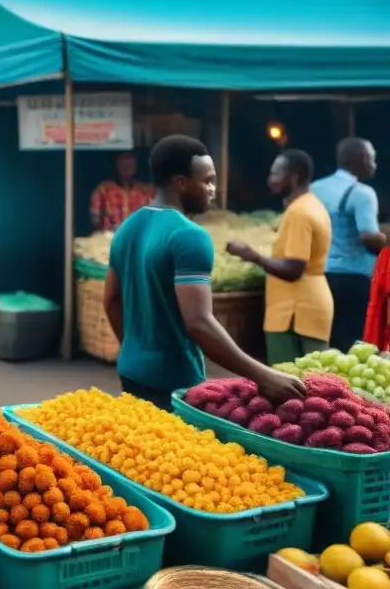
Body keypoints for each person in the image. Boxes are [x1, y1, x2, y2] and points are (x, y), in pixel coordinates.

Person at [102, 135, 307, 411]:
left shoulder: (128, 227)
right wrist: (264, 375)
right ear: (180, 183)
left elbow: (111, 299)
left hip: (131, 371)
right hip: (174, 382)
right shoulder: (189, 236)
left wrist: (135, 348)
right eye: (207, 180)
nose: (214, 188)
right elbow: (198, 323)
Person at [227, 150, 334, 364]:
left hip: (295, 312)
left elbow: (293, 269)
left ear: (293, 177)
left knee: (289, 383)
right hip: (304, 307)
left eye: (276, 174)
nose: (270, 180)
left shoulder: (299, 213)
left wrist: (250, 255)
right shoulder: (310, 205)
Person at [312, 138, 386, 351]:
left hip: (321, 275)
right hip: (354, 278)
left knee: (331, 338)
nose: (374, 164)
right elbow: (368, 237)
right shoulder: (363, 193)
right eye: (372, 158)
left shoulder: (315, 188)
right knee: (355, 342)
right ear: (360, 160)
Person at [90, 152, 155, 232]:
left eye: (130, 158)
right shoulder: (103, 190)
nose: (127, 163)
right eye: (123, 158)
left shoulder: (145, 191)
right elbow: (95, 221)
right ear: (116, 162)